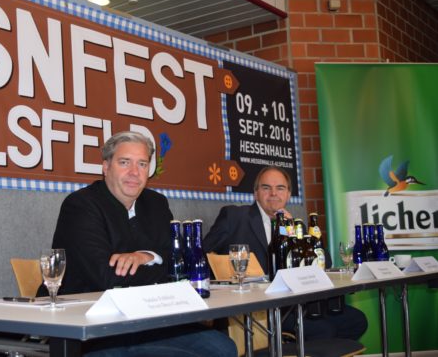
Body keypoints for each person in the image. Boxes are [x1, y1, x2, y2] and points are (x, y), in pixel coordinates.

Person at [48, 131, 238, 357]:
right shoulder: (81, 206)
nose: (134, 173)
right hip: (94, 328)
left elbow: (187, 266)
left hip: (148, 319)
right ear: (105, 167)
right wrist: (165, 269)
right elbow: (107, 278)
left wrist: (147, 256)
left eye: (142, 164)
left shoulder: (156, 203)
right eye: (124, 162)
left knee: (222, 347)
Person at [203, 166, 368, 341]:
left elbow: (324, 263)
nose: (273, 193)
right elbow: (203, 255)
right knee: (323, 331)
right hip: (259, 310)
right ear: (256, 193)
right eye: (266, 188)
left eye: (280, 188)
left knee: (356, 321)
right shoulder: (234, 216)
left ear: (288, 195)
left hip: (297, 304)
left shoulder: (296, 226)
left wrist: (294, 235)